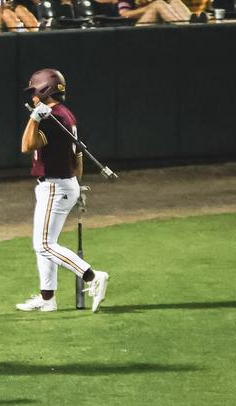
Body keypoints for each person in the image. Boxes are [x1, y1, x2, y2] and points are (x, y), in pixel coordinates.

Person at [18, 68, 109, 313]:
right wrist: (76, 185)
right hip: (62, 185)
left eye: (34, 93)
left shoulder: (51, 119)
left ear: (44, 90)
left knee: (45, 244)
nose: (32, 98)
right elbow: (77, 154)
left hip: (56, 186)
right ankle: (47, 299)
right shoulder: (64, 114)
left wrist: (35, 118)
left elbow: (26, 145)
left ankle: (92, 277)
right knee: (44, 243)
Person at [117, 0, 192, 24]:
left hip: (157, 23)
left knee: (175, 1)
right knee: (158, 4)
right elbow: (124, 14)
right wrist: (149, 7)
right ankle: (184, 26)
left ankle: (192, 23)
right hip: (135, 28)